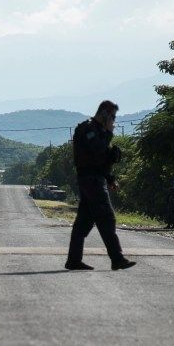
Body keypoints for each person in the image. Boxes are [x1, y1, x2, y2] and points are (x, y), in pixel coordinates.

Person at [65, 101, 135, 271]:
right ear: (105, 115)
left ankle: (74, 260)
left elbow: (100, 161)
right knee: (107, 218)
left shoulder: (98, 131)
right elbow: (97, 153)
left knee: (83, 222)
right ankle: (117, 258)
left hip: (93, 179)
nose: (114, 121)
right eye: (112, 117)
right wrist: (109, 138)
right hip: (91, 180)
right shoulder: (89, 130)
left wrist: (110, 177)